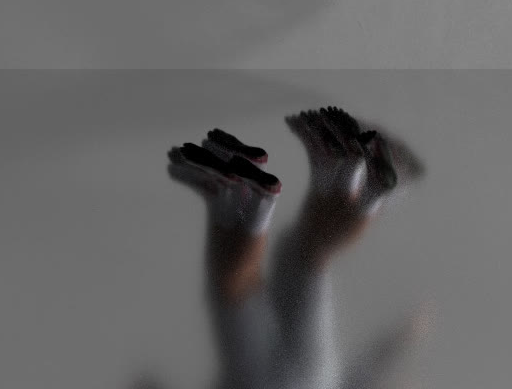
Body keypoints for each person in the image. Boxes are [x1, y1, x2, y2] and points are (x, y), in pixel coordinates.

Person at [151, 107, 430, 389]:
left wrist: (398, 344)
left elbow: (362, 379)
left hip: (317, 381)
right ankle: (246, 190)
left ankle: (370, 184)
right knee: (239, 285)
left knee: (307, 256)